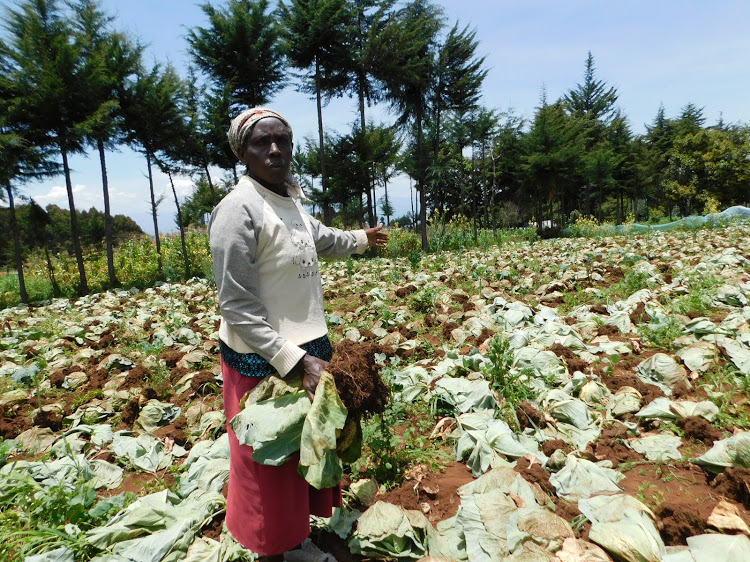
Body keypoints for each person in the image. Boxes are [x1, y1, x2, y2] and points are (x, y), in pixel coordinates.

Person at [209, 107, 388, 561]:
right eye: (261, 142)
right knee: (265, 461)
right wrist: (296, 360)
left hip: (307, 349)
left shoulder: (289, 201)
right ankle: (274, 549)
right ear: (242, 153)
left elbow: (322, 238)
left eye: (282, 141)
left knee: (301, 452)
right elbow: (236, 306)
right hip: (264, 359)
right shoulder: (237, 210)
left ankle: (296, 540)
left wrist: (363, 239)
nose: (274, 150)